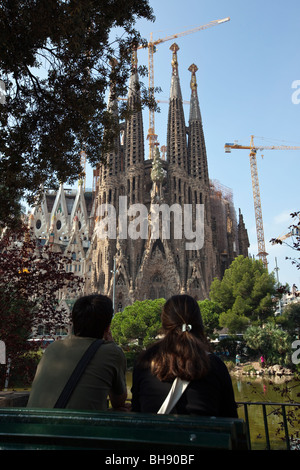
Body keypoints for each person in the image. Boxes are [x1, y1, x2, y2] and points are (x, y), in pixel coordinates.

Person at [131, 294, 238, 417]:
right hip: (202, 435)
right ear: (199, 323)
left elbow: (136, 410)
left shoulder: (145, 362)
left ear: (165, 324)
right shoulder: (214, 365)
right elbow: (231, 417)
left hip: (155, 434)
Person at [27, 294, 128, 411]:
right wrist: (111, 344)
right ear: (108, 328)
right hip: (75, 427)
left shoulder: (52, 348)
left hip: (35, 425)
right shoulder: (112, 353)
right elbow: (119, 401)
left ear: (74, 323)